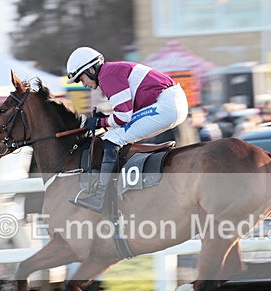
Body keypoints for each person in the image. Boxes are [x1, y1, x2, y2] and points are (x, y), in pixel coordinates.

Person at [65, 46, 189, 213]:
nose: (84, 84)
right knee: (114, 135)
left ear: (91, 70)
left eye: (81, 79)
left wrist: (100, 122)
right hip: (171, 102)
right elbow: (124, 114)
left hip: (167, 105)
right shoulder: (111, 72)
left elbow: (123, 117)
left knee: (112, 139)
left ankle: (100, 197)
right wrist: (105, 119)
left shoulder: (107, 76)